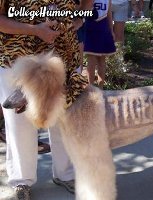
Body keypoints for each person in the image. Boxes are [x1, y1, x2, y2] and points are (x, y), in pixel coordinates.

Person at [0, 0, 93, 199]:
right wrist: (34, 30)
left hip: (63, 59)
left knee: (64, 119)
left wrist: (79, 17)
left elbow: (87, 2)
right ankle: (21, 180)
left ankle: (66, 174)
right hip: (16, 59)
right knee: (19, 121)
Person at [84, 0, 116, 88]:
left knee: (102, 59)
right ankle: (90, 87)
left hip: (103, 29)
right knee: (91, 59)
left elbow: (109, 14)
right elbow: (84, 9)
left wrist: (111, 30)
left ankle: (100, 88)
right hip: (91, 27)